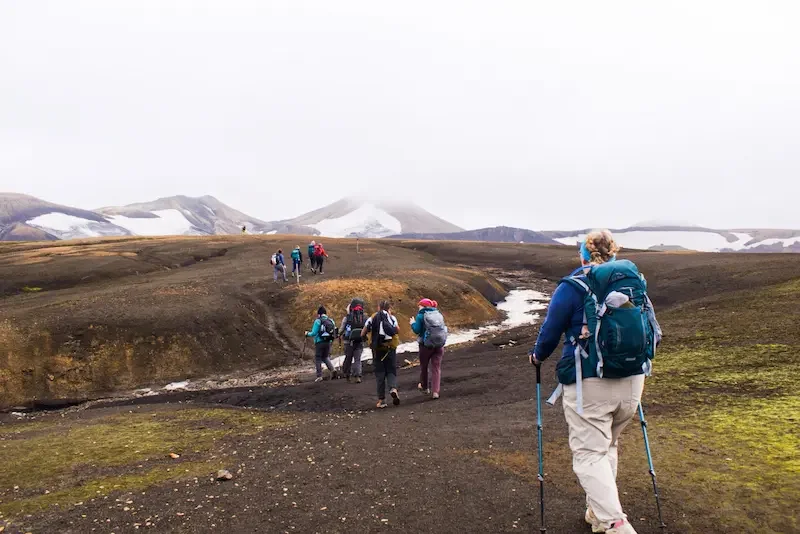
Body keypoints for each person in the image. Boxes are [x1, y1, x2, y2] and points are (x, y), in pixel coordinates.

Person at [529, 230, 662, 534]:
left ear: (583, 255)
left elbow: (550, 332)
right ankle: (596, 513)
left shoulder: (573, 286)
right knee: (606, 446)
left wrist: (537, 356)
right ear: (614, 253)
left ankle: (616, 525)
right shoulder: (633, 285)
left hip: (588, 382)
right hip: (633, 382)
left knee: (589, 454)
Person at [361, 300, 400, 408]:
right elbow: (397, 330)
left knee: (380, 373)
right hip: (390, 348)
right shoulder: (392, 318)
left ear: (378, 307)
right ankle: (393, 388)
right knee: (391, 370)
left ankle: (382, 400)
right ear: (389, 308)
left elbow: (363, 332)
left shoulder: (372, 318)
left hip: (377, 349)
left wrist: (367, 339)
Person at [410, 298, 448, 399]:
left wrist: (412, 323)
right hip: (439, 345)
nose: (418, 307)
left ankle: (425, 387)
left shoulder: (420, 315)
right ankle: (436, 392)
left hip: (425, 345)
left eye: (419, 305)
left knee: (424, 367)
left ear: (423, 306)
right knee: (436, 368)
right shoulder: (438, 314)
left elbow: (417, 330)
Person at [305, 306, 337, 382]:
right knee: (325, 357)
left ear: (319, 314)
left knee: (318, 358)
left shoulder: (318, 321)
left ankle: (319, 376)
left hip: (319, 342)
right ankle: (332, 369)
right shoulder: (331, 321)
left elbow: (314, 333)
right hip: (328, 342)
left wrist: (307, 333)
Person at [339, 298, 367, 383]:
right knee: (357, 359)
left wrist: (339, 334)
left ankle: (347, 374)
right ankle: (357, 376)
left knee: (348, 358)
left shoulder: (347, 318)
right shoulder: (364, 317)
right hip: (360, 341)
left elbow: (341, 330)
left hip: (348, 342)